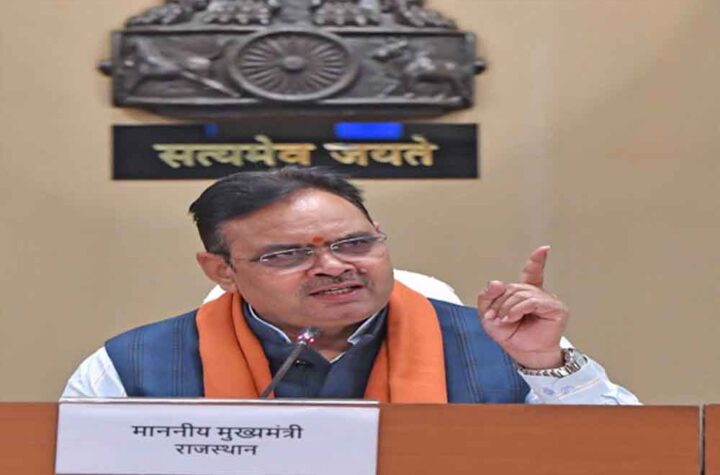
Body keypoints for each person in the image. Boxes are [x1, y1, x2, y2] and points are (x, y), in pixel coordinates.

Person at [63, 167, 638, 404]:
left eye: (355, 243)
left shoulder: (503, 344)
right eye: (288, 254)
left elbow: (621, 456)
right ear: (221, 271)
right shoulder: (133, 365)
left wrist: (545, 364)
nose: (334, 267)